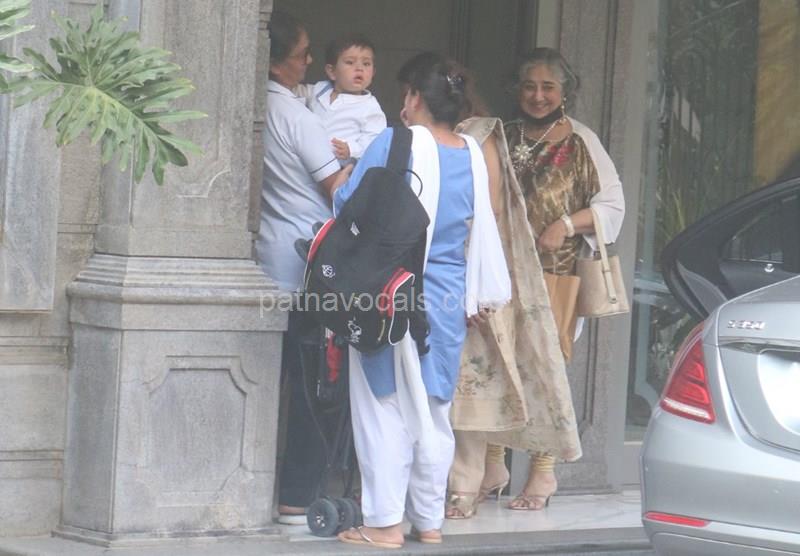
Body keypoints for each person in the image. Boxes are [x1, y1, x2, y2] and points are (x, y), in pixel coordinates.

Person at [333, 52, 510, 548]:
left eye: (406, 94)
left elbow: (348, 205)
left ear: (414, 97)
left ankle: (385, 524)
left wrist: (346, 171)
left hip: (388, 293)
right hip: (448, 300)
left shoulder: (394, 142)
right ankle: (428, 521)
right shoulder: (472, 153)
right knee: (433, 408)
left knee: (384, 405)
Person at [446, 47, 625, 518]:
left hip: (555, 275)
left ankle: (543, 472)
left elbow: (612, 206)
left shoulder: (581, 140)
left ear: (565, 91)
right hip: (501, 275)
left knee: (544, 367)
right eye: (530, 86)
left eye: (548, 87)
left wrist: (564, 225)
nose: (538, 95)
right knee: (497, 365)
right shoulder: (500, 134)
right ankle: (493, 468)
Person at [256, 10, 351, 525]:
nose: (310, 62)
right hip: (307, 270)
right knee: (315, 386)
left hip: (267, 260)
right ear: (277, 62)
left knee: (272, 381)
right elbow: (338, 189)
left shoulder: (261, 107)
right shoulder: (297, 117)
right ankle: (295, 495)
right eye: (302, 54)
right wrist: (363, 164)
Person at [298, 34, 387, 164]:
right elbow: (297, 92)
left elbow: (375, 142)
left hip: (340, 168)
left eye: (366, 64)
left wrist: (351, 149)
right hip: (307, 161)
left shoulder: (370, 107)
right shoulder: (321, 89)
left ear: (373, 73)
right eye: (350, 62)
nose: (359, 68)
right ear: (332, 71)